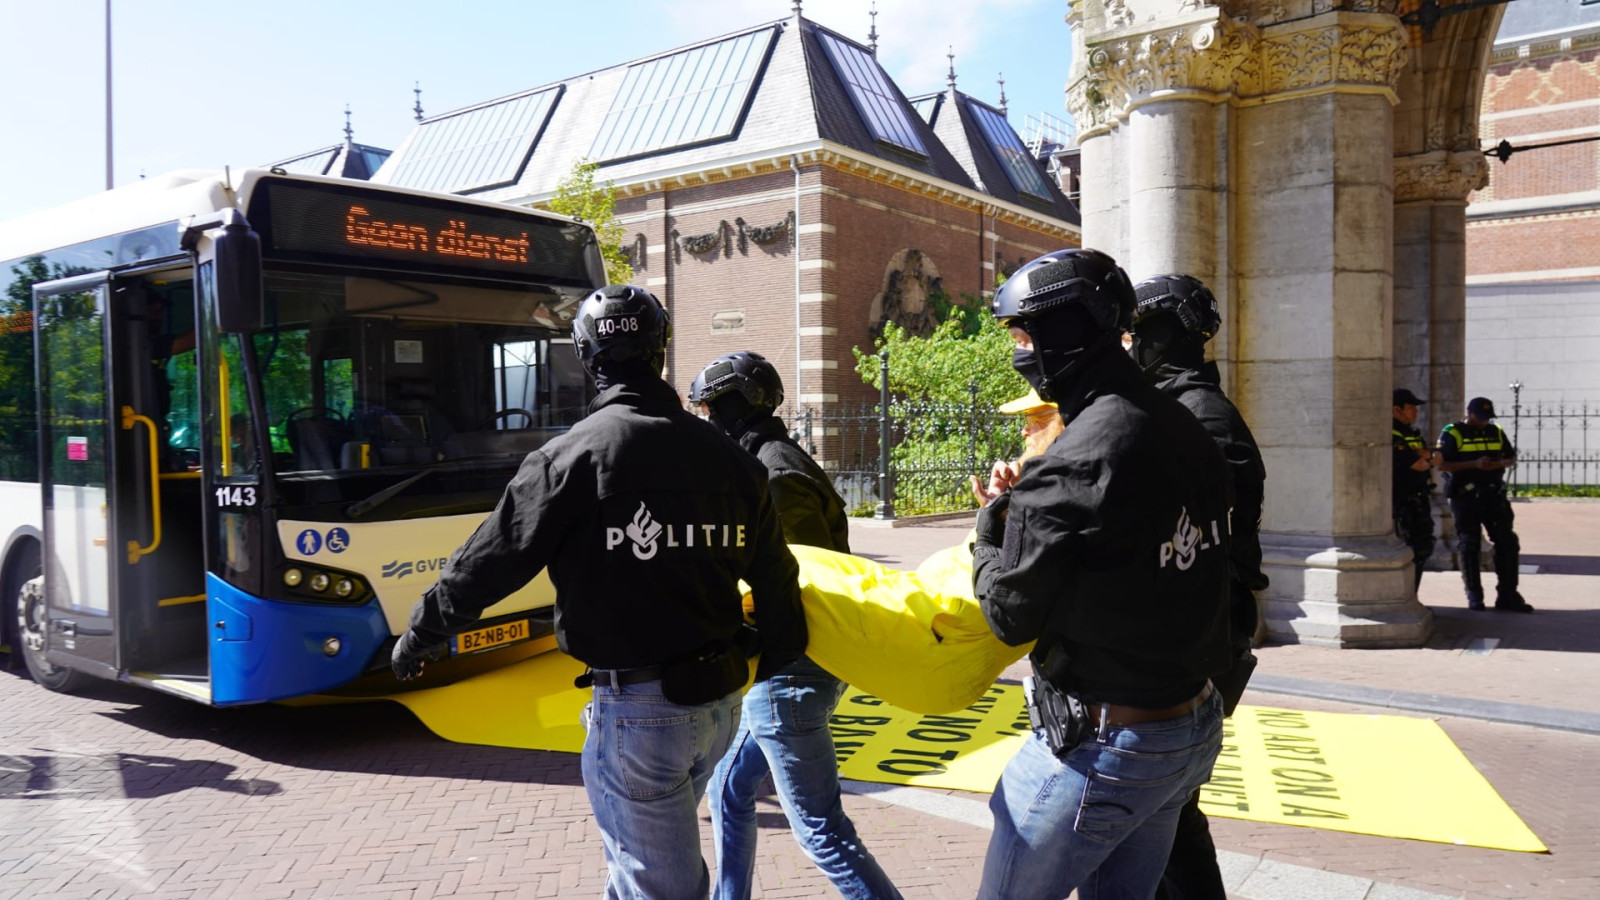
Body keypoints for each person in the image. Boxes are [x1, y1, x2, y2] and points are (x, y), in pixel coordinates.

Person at [391, 285, 809, 898]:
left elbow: (488, 562)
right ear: (660, 354)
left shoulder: (571, 458)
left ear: (587, 359)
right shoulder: (731, 460)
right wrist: (768, 661)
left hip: (639, 714)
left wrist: (423, 634)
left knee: (659, 885)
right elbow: (778, 580)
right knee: (633, 866)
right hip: (718, 705)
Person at [972, 249, 1232, 900]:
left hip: (1106, 742)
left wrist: (989, 532)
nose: (1021, 353)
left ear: (1067, 332)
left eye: (1025, 335)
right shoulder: (1185, 420)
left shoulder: (1080, 457)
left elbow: (1008, 613)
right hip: (1187, 720)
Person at [691, 350, 901, 900]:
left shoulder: (774, 474)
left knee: (820, 830)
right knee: (729, 790)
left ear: (734, 407)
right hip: (787, 670)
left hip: (792, 673)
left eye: (712, 408)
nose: (708, 419)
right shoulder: (771, 459)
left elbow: (793, 576)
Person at [1129, 274, 1269, 900]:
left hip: (1198, 643)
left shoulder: (1199, 417)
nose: (1131, 344)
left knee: (1170, 808)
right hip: (1192, 637)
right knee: (1161, 811)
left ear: (1166, 333)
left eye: (1139, 331)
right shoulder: (1177, 407)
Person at [1435, 397, 1532, 613]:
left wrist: (1498, 463)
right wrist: (1474, 464)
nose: (1484, 422)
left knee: (1507, 542)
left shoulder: (1495, 430)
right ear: (1469, 414)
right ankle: (1475, 597)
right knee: (1469, 544)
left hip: (1493, 495)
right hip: (1466, 496)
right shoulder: (1452, 432)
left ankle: (1508, 595)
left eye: (1487, 418)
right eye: (1480, 418)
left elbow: (1510, 457)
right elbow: (1442, 465)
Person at [969, 387, 1063, 506]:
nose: (1024, 431)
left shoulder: (1072, 488)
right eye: (1026, 419)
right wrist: (999, 506)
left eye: (1033, 419)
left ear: (1063, 422)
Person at [1391, 388, 1436, 593]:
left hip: (1419, 498)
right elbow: (1420, 464)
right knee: (1412, 549)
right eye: (1411, 408)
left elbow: (1433, 458)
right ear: (1396, 409)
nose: (1416, 412)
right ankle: (1405, 596)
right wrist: (1424, 457)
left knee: (1423, 547)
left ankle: (1412, 597)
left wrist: (1423, 456)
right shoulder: (1392, 431)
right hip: (1402, 500)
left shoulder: (1410, 433)